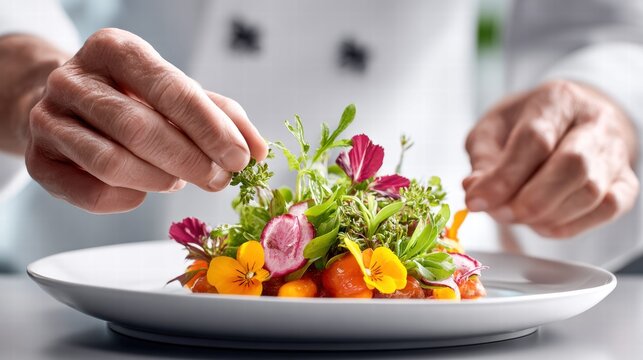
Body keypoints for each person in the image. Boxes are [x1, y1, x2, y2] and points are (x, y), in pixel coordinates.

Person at [0, 0, 640, 271]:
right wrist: (30, 78)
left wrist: (600, 103)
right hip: (101, 251)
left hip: (415, 263)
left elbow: (604, 31)